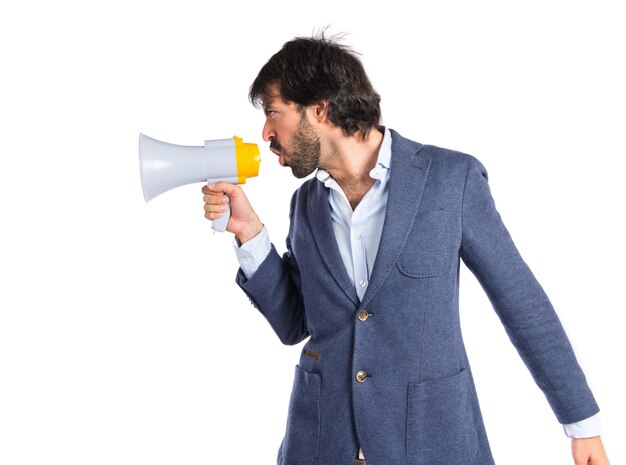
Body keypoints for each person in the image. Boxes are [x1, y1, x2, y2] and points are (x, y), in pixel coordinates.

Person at [202, 34, 610, 465]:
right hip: (320, 445)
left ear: (319, 109)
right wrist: (249, 233)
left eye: (272, 113)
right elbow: (294, 323)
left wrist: (581, 425)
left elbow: (521, 302)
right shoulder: (307, 204)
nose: (266, 132)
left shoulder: (452, 180)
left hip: (432, 443)